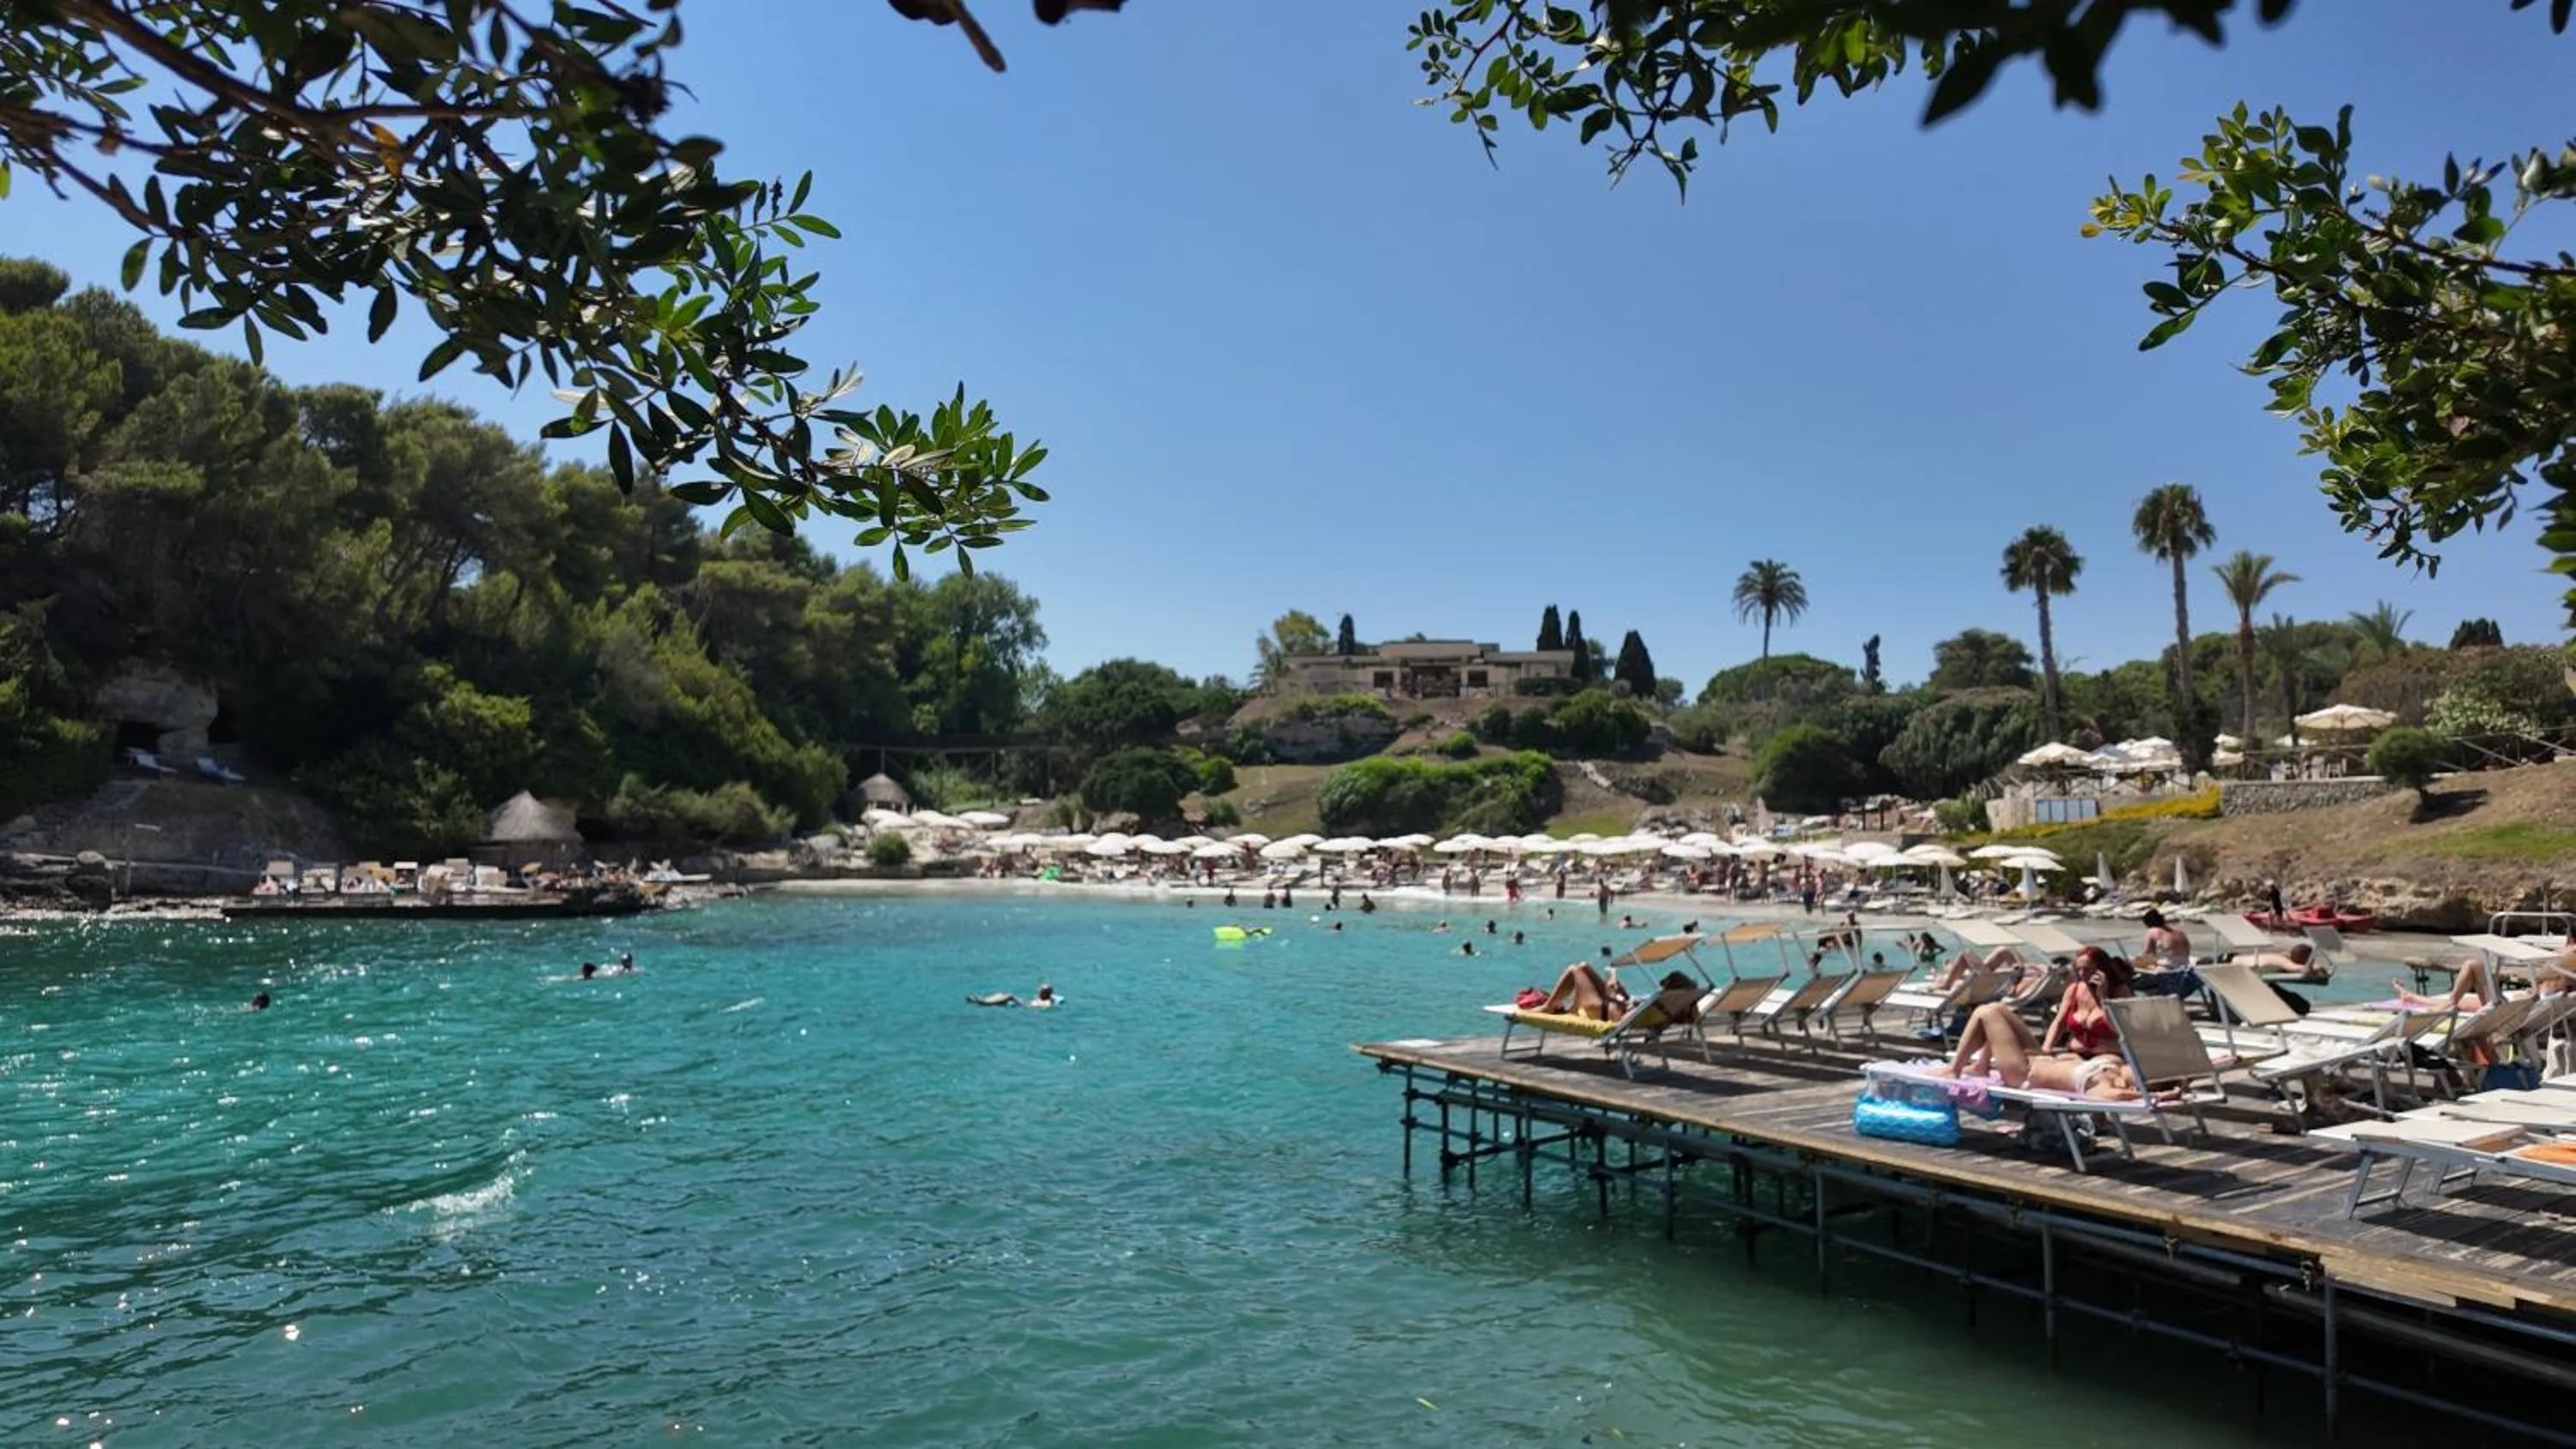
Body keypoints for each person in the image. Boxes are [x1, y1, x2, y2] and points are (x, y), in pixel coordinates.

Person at [1944, 1001, 2142, 1100]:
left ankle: (1955, 1069)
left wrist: (2155, 1097)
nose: (2135, 1069)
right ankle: (1981, 1065)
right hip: (2039, 1058)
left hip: (2023, 1074)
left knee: (1985, 1013)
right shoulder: (2113, 1063)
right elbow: (2071, 1056)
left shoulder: (2103, 1086)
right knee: (1998, 1007)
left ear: (2133, 1087)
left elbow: (2115, 1097)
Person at [1528, 961, 1631, 1021]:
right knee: (1584, 966)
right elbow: (1628, 1003)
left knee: (1573, 969)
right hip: (1613, 1005)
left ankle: (1548, 1007)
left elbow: (1627, 1011)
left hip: (1606, 1010)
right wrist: (1621, 993)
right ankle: (1574, 1007)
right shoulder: (1644, 1006)